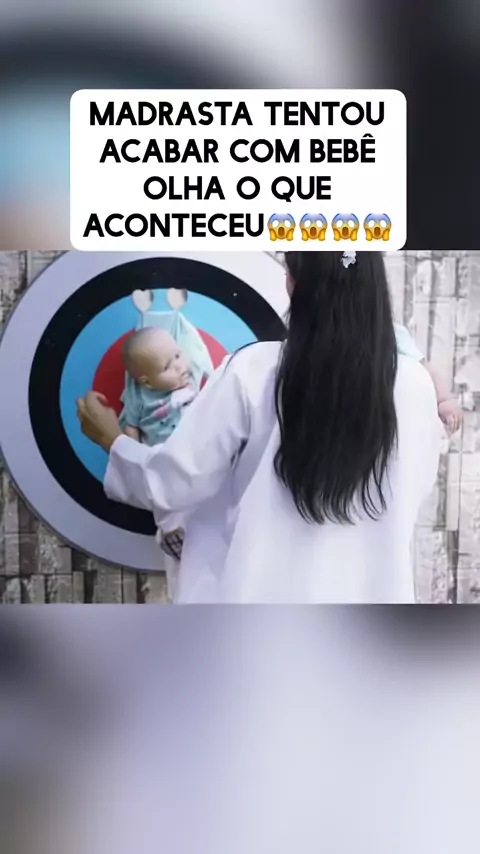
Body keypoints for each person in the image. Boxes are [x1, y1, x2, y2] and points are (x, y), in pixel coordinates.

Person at [77, 251, 443, 604]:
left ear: (292, 283)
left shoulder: (253, 372)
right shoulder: (417, 386)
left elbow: (174, 482)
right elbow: (415, 490)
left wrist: (112, 439)